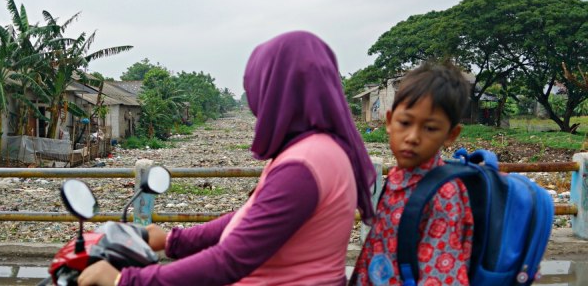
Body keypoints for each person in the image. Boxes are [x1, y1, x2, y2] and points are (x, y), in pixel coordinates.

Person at [78, 30, 376, 286]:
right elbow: (251, 217)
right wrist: (173, 241)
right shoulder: (317, 150)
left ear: (276, 92)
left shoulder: (304, 164)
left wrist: (126, 281)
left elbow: (231, 259)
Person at [350, 62, 474, 285]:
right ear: (389, 122)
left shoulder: (443, 194)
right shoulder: (398, 177)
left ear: (451, 135)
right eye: (405, 123)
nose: (413, 137)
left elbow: (441, 275)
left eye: (430, 128)